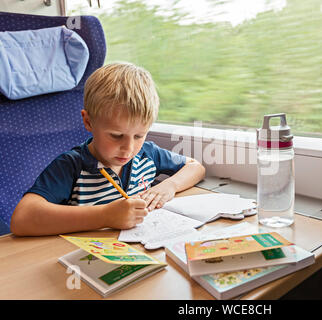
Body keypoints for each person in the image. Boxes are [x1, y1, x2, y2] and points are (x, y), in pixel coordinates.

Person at [10, 63, 205, 236]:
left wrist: (169, 186)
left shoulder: (147, 154)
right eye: (116, 135)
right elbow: (22, 219)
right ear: (88, 121)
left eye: (139, 136)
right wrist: (105, 216)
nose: (128, 149)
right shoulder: (71, 166)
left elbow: (195, 166)